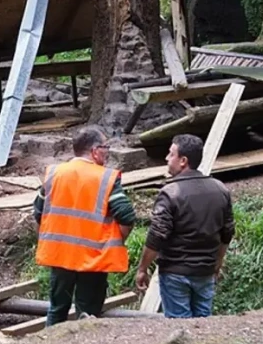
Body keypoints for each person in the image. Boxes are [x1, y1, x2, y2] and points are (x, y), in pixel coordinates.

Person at [33, 126, 136, 325]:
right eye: (106, 147)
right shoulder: (105, 178)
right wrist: (115, 240)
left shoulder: (54, 173)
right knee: (88, 314)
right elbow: (127, 216)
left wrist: (49, 243)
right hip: (93, 258)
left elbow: (38, 213)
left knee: (56, 310)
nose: (107, 152)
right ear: (95, 151)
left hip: (60, 256)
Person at [135, 134, 235, 318]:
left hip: (175, 272)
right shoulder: (220, 189)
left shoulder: (170, 193)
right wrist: (218, 262)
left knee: (180, 325)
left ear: (183, 161)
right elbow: (227, 232)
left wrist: (142, 268)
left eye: (171, 154)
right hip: (205, 271)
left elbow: (157, 235)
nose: (167, 158)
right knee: (203, 324)